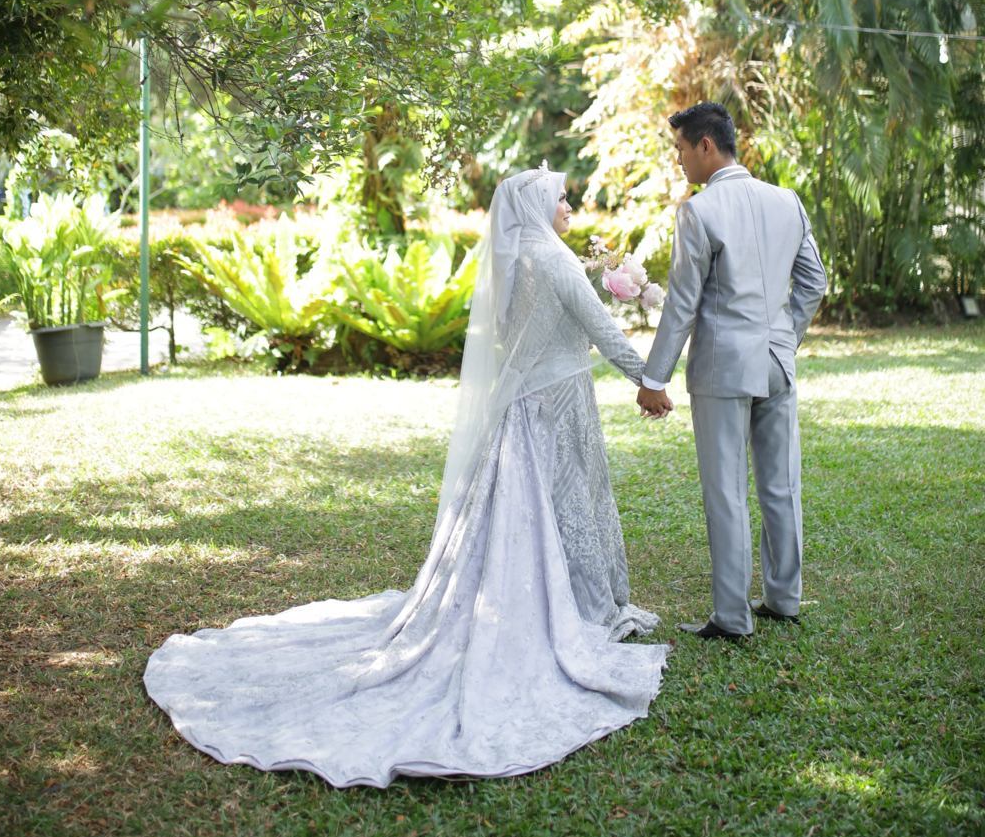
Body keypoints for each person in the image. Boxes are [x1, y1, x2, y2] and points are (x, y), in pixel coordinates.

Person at [144, 167, 667, 786]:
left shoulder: (518, 257)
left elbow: (521, 332)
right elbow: (600, 328)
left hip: (527, 402)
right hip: (552, 404)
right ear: (535, 205)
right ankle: (576, 608)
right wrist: (649, 380)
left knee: (542, 510)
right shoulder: (552, 259)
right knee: (563, 503)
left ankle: (571, 601)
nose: (569, 204)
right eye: (560, 197)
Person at [636, 102, 827, 640]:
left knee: (725, 491)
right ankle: (784, 599)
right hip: (777, 362)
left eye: (680, 149)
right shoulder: (787, 201)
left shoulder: (699, 211)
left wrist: (653, 379)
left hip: (723, 368)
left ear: (705, 145)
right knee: (781, 484)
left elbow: (682, 304)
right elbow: (814, 282)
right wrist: (783, 336)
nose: (678, 160)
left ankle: (732, 617)